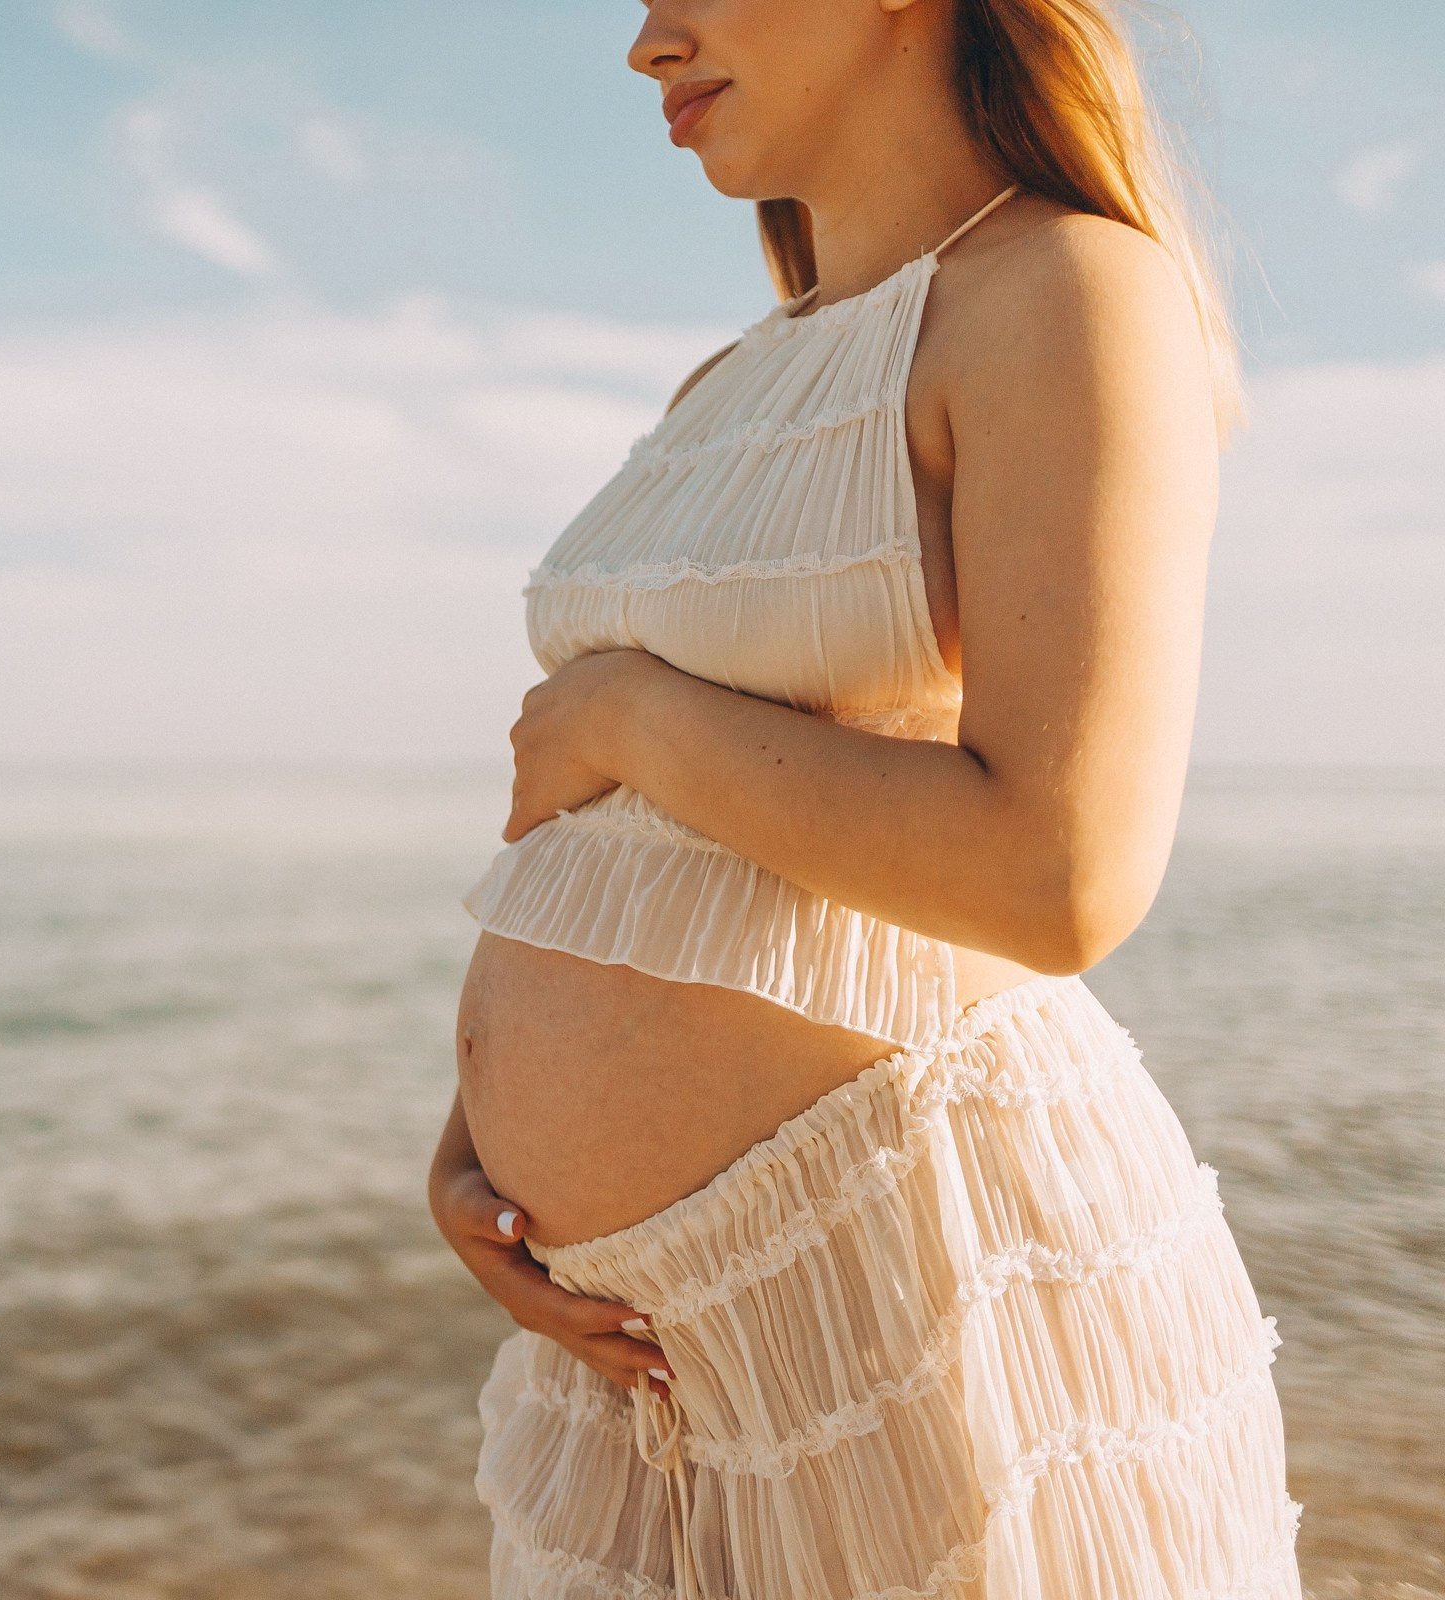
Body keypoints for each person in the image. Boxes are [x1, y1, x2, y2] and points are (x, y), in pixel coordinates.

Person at [427, 1, 1300, 1595]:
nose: (645, 45)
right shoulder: (733, 377)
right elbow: (621, 846)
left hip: (914, 1294)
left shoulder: (1065, 292)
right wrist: (476, 1141)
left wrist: (628, 709)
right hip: (653, 1357)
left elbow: (1062, 872)